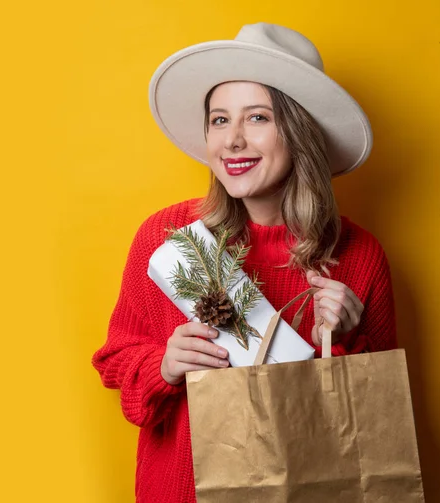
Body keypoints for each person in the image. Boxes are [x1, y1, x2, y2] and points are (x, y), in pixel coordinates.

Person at [92, 22, 397, 503]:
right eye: (219, 120)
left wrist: (340, 345)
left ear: (299, 133)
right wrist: (164, 366)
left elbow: (372, 425)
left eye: (257, 118)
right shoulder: (168, 239)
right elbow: (116, 363)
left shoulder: (359, 255)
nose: (232, 140)